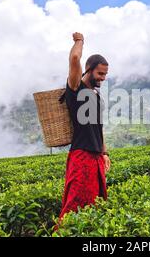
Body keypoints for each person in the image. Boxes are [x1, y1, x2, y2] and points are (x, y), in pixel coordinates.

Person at [54, 32, 111, 232]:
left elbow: (99, 128)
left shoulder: (96, 95)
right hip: (81, 155)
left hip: (95, 157)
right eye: (100, 74)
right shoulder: (75, 87)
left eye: (105, 75)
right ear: (88, 70)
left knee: (96, 206)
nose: (103, 79)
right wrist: (80, 40)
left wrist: (104, 153)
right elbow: (75, 58)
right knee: (75, 206)